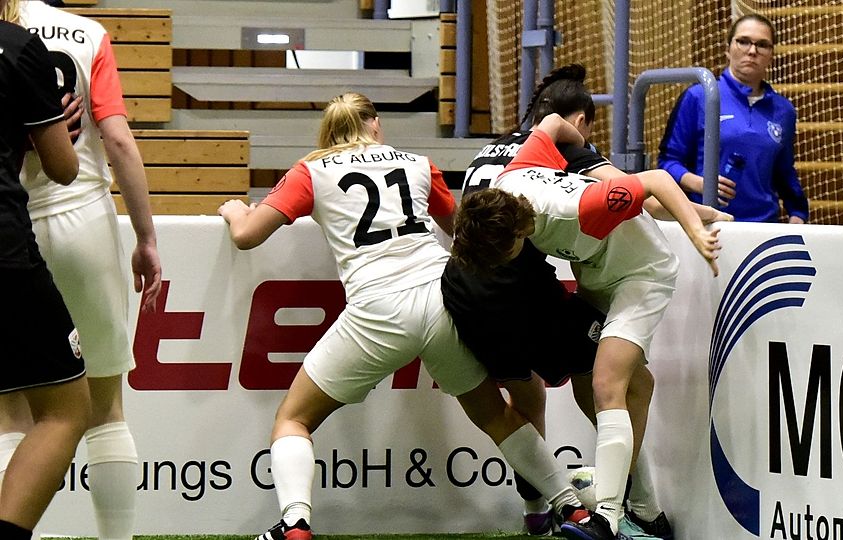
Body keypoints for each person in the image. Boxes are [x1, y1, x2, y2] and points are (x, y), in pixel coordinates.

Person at [218, 93, 590, 540]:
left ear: (330, 131)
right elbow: (462, 232)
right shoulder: (418, 164)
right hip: (441, 300)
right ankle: (571, 508)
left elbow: (246, 235)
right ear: (375, 124)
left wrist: (236, 211)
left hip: (376, 310)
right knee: (495, 415)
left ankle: (295, 524)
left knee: (293, 419)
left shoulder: (311, 170)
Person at [443, 63, 729, 539]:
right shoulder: (513, 175)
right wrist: (577, 143)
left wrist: (698, 228)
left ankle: (607, 518)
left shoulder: (580, 209)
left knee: (606, 383)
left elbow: (656, 181)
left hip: (641, 274)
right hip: (596, 274)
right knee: (620, 384)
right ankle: (644, 510)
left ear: (514, 237)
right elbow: (552, 124)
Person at [0, 3, 162, 539]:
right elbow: (117, 140)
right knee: (106, 407)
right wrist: (146, 238)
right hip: (82, 218)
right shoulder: (88, 33)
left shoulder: (9, 35)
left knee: (10, 411)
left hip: (14, 221)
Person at [0, 5, 89, 540]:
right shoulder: (16, 46)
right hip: (5, 251)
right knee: (65, 409)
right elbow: (63, 168)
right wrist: (46, 128)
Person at [658, 13, 808, 223]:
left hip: (764, 226)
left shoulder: (784, 111)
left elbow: (784, 172)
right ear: (728, 49)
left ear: (771, 55)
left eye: (762, 45)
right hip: (707, 223)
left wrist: (798, 213)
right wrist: (700, 184)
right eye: (743, 41)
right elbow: (667, 162)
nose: (752, 51)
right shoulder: (699, 96)